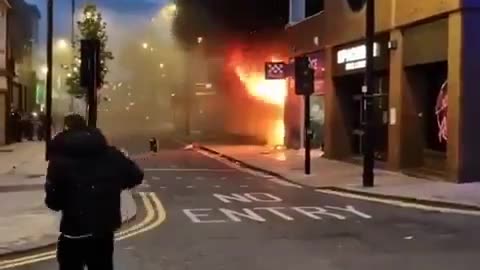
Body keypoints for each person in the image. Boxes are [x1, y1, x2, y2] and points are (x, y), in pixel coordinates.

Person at [45, 114, 144, 270]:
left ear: (65, 129)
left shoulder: (59, 161)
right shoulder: (111, 154)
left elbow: (53, 202)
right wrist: (113, 186)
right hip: (102, 230)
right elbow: (136, 176)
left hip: (73, 231)